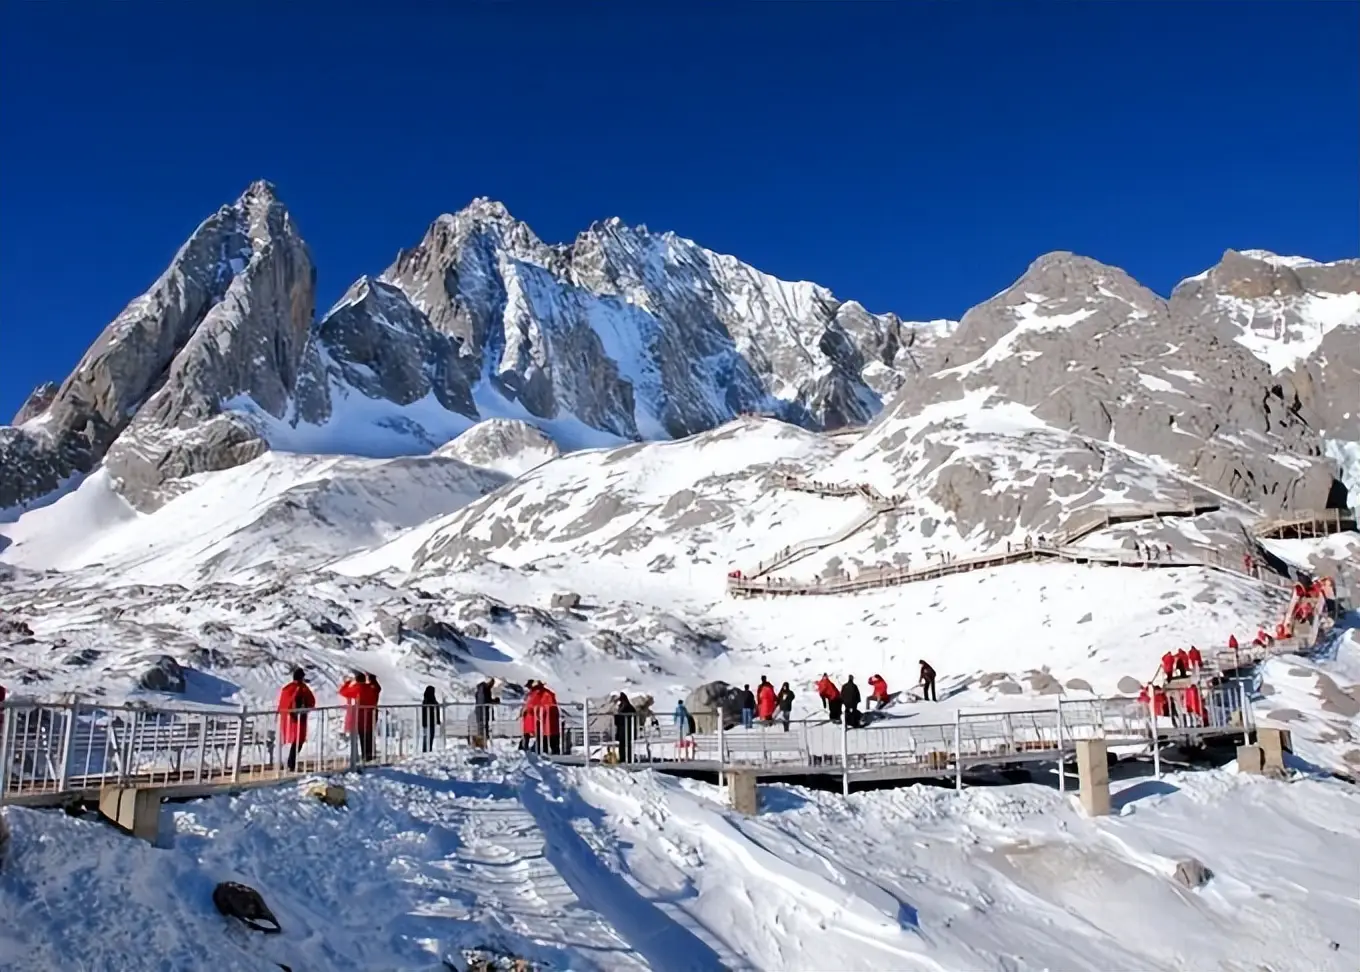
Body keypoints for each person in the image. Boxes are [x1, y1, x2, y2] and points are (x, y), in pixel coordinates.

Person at [277, 668, 316, 772]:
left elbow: (282, 703)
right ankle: (291, 763)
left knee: (293, 739)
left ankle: (289, 762)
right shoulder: (303, 688)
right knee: (299, 740)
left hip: (288, 718)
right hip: (300, 717)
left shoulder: (287, 688)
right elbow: (312, 701)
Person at [357, 673, 381, 760]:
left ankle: (365, 754)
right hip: (371, 714)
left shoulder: (359, 689)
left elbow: (344, 692)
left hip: (361, 716)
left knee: (363, 735)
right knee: (369, 734)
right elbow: (378, 688)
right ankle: (370, 754)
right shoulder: (372, 688)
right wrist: (373, 680)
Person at [538, 682, 563, 755]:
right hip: (550, 718)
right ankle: (553, 750)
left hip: (548, 718)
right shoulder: (548, 694)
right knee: (551, 735)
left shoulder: (545, 695)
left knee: (548, 735)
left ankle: (547, 751)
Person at [473, 677, 498, 744]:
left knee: (484, 729)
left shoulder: (485, 689)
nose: (492, 685)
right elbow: (484, 701)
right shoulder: (483, 689)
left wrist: (492, 701)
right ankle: (480, 745)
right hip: (481, 713)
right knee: (482, 730)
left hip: (484, 713)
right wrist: (492, 701)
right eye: (492, 683)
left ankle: (483, 744)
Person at [520, 680, 544, 751]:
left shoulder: (535, 693)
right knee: (528, 733)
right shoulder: (533, 693)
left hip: (532, 716)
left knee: (530, 733)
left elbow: (531, 704)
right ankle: (526, 747)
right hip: (530, 716)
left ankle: (527, 747)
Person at [615, 693, 637, 763]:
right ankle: (623, 758)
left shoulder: (628, 708)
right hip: (623, 729)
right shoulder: (622, 707)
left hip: (627, 729)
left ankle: (628, 758)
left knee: (627, 744)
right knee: (623, 745)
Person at [420, 685, 441, 752]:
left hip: (429, 722)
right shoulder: (428, 700)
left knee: (429, 737)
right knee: (428, 737)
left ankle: (428, 750)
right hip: (429, 722)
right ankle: (426, 750)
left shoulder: (428, 700)